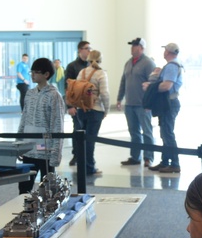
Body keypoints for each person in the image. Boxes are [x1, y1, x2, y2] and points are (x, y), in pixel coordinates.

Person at [17, 57, 65, 193]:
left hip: (45, 149)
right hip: (28, 148)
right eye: (31, 72)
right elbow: (24, 118)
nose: (32, 75)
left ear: (46, 74)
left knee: (48, 190)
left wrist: (56, 154)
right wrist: (19, 143)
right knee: (24, 188)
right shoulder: (30, 94)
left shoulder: (54, 95)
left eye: (35, 72)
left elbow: (58, 125)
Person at [115, 37, 156, 167]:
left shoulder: (148, 63)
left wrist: (150, 103)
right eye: (132, 45)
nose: (132, 48)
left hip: (143, 105)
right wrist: (119, 98)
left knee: (147, 132)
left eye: (135, 45)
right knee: (134, 132)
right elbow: (123, 81)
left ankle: (148, 158)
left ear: (142, 48)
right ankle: (135, 157)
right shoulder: (128, 63)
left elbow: (153, 83)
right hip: (130, 104)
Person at [145, 43, 184, 174]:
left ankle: (174, 163)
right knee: (165, 133)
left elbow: (166, 86)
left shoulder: (172, 66)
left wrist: (150, 87)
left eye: (165, 50)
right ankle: (165, 162)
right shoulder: (174, 65)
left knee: (167, 133)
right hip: (168, 103)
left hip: (169, 103)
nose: (164, 52)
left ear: (168, 52)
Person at [74, 49, 109, 177]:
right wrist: (106, 109)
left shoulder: (82, 72)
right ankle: (90, 167)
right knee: (90, 139)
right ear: (100, 59)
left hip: (81, 109)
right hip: (95, 109)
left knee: (82, 139)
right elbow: (104, 93)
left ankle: (82, 165)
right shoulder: (101, 73)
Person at [65, 41, 91, 165]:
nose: (89, 51)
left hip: (90, 106)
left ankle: (88, 157)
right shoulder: (72, 66)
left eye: (90, 48)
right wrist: (69, 106)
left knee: (89, 132)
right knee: (78, 130)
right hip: (77, 105)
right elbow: (68, 87)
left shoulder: (92, 67)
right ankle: (77, 155)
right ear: (80, 50)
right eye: (87, 48)